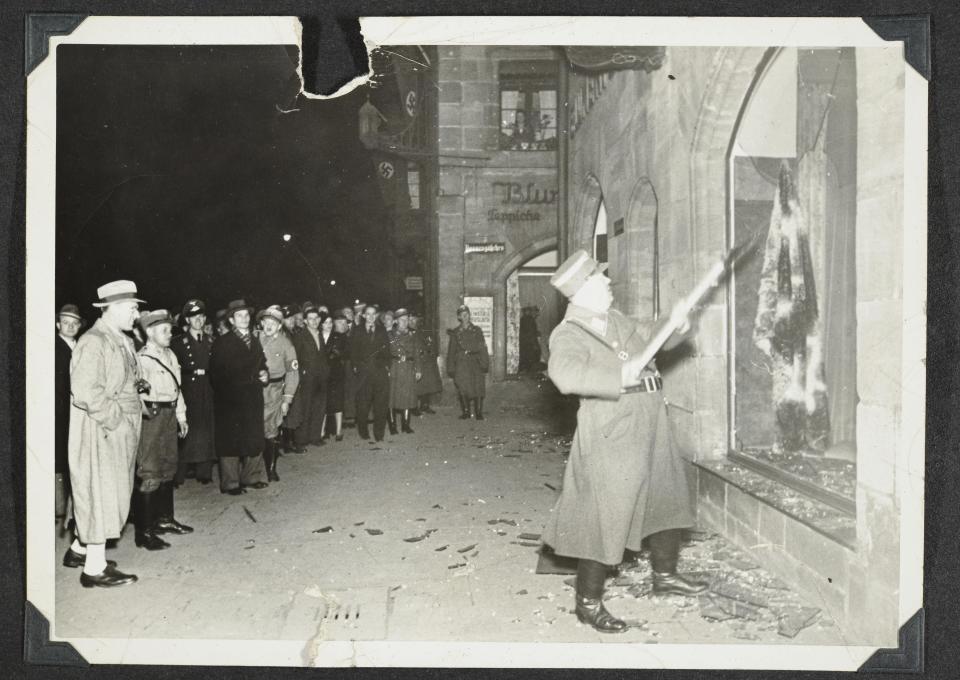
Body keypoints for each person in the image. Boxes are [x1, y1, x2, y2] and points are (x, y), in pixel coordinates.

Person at [541, 250, 707, 633]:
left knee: (666, 496)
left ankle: (665, 577)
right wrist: (620, 375)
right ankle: (588, 602)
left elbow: (654, 334)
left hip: (650, 420)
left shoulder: (614, 319)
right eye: (601, 279)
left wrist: (677, 323)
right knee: (605, 516)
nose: (608, 282)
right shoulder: (568, 333)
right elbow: (564, 374)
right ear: (583, 291)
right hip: (611, 430)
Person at [65, 280, 145, 587]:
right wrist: (118, 421)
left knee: (109, 493)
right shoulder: (94, 341)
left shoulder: (120, 339)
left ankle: (79, 550)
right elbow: (85, 391)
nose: (136, 314)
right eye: (132, 308)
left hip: (117, 429)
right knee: (99, 493)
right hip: (101, 429)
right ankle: (93, 570)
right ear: (110, 309)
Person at [134, 310, 192, 551]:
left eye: (169, 329)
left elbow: (177, 388)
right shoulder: (141, 359)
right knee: (150, 470)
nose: (169, 334)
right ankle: (145, 532)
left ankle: (165, 520)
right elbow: (134, 393)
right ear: (150, 332)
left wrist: (181, 415)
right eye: (164, 330)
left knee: (169, 465)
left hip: (169, 413)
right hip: (152, 416)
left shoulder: (170, 355)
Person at [209, 299, 269, 495]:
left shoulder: (255, 340)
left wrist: (264, 373)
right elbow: (216, 375)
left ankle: (252, 477)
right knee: (230, 441)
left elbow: (262, 364)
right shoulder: (222, 343)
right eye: (239, 316)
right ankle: (231, 482)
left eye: (246, 315)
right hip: (231, 400)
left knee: (253, 436)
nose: (244, 319)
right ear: (231, 321)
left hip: (252, 397)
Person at [171, 299, 216, 486]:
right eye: (193, 317)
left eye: (201, 316)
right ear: (187, 321)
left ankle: (204, 472)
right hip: (188, 388)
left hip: (207, 387)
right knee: (186, 429)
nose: (198, 320)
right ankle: (179, 473)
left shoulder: (211, 340)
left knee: (206, 427)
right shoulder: (179, 342)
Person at [257, 305, 300, 482]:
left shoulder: (286, 345)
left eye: (273, 323)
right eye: (265, 322)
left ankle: (271, 469)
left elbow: (292, 373)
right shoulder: (254, 338)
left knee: (271, 429)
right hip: (253, 389)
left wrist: (287, 399)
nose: (268, 326)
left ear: (280, 326)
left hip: (274, 390)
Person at [55, 304, 84, 523]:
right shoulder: (55, 348)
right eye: (66, 322)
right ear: (58, 325)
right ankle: (60, 509)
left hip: (77, 410)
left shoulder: (80, 346)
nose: (70, 326)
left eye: (74, 323)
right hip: (62, 411)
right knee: (62, 459)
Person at [288, 306, 330, 448]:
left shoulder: (319, 335)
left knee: (319, 407)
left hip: (321, 378)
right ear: (305, 321)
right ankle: (301, 440)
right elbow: (295, 357)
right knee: (305, 408)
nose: (314, 321)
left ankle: (315, 437)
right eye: (310, 319)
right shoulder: (300, 336)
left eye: (316, 318)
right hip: (307, 378)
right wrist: (301, 375)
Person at [350, 304, 391, 442]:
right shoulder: (357, 331)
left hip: (379, 373)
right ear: (363, 315)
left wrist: (386, 366)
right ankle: (363, 431)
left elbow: (387, 350)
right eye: (368, 314)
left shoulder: (381, 330)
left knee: (381, 405)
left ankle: (379, 433)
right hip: (364, 374)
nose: (371, 316)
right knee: (363, 404)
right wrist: (356, 366)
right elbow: (353, 351)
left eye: (374, 314)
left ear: (377, 315)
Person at [446, 305, 490, 420]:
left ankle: (478, 412)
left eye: (467, 314)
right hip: (462, 362)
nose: (466, 317)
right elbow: (451, 351)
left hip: (475, 361)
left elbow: (482, 347)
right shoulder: (455, 333)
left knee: (478, 386)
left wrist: (485, 363)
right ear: (459, 317)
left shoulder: (477, 330)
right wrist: (451, 367)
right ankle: (466, 412)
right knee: (462, 385)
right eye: (463, 315)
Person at [387, 309, 422, 434]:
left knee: (407, 397)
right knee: (392, 397)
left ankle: (405, 425)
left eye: (407, 319)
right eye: (402, 320)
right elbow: (385, 354)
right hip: (395, 367)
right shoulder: (390, 335)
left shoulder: (412, 335)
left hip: (408, 367)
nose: (405, 322)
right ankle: (392, 426)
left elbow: (417, 353)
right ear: (396, 321)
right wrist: (387, 369)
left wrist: (418, 369)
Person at [278, 304, 305, 453]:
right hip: (286, 376)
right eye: (288, 319)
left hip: (293, 374)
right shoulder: (283, 335)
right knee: (289, 409)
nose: (291, 321)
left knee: (293, 409)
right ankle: (287, 443)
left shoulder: (292, 333)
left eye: (292, 318)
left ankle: (288, 442)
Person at [323, 311, 349, 441]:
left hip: (336, 372)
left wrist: (334, 354)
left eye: (345, 323)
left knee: (337, 400)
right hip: (324, 372)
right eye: (340, 322)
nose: (343, 325)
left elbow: (343, 353)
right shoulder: (321, 335)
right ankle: (324, 430)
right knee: (325, 401)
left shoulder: (341, 337)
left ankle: (338, 431)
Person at [410, 312, 442, 414]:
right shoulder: (407, 333)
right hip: (414, 359)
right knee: (415, 385)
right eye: (409, 320)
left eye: (413, 319)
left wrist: (432, 354)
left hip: (426, 360)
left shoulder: (425, 330)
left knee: (427, 383)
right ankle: (413, 407)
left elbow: (431, 343)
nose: (411, 322)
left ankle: (425, 405)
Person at [519, 305, 543, 373]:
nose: (537, 316)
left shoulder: (522, 319)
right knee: (531, 363)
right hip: (529, 346)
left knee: (525, 364)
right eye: (536, 314)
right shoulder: (530, 320)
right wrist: (536, 346)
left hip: (524, 345)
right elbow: (531, 334)